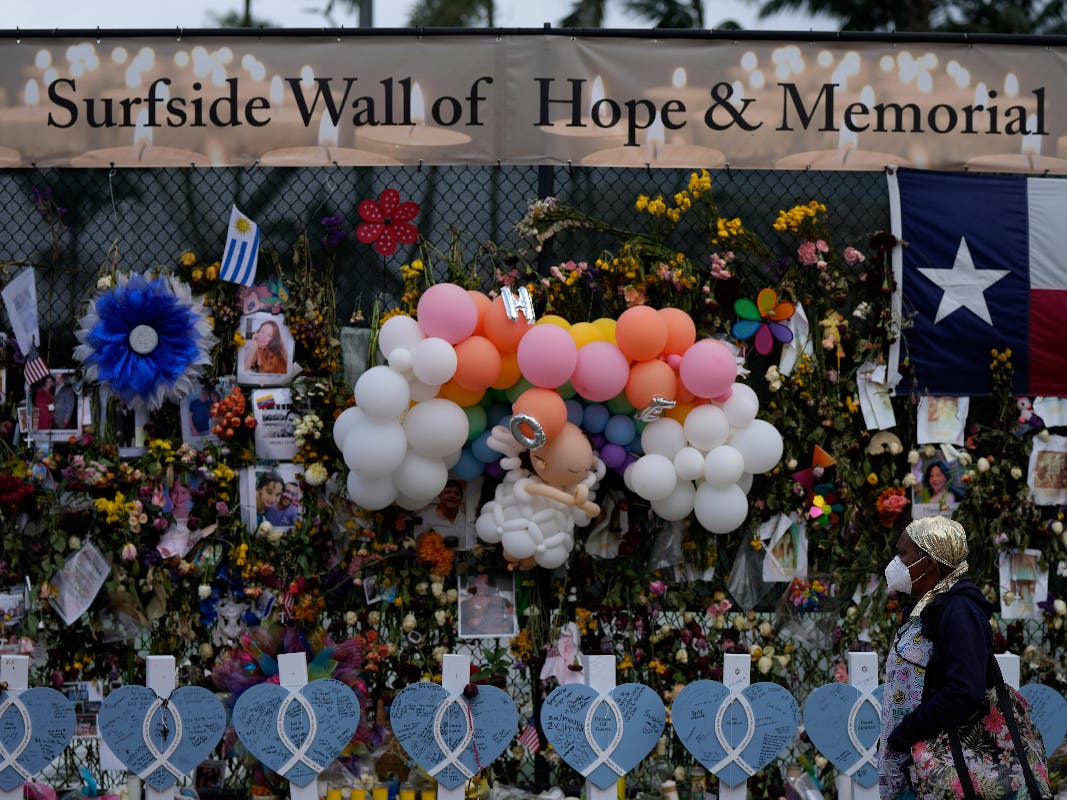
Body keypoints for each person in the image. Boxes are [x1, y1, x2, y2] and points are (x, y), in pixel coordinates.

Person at [878, 516, 994, 800]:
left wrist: (907, 731)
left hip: (942, 769)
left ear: (928, 562)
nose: (896, 562)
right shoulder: (930, 607)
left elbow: (964, 690)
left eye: (903, 553)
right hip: (916, 766)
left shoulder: (959, 610)